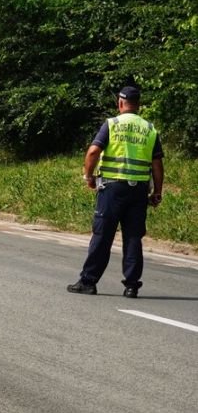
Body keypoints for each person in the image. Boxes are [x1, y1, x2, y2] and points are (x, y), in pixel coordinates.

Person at [67, 86, 164, 298]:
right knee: (133, 238)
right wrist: (157, 192)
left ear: (120, 104)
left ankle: (88, 282)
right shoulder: (149, 128)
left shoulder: (112, 124)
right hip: (138, 191)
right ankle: (131, 286)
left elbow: (93, 151)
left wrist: (88, 176)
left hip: (112, 189)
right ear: (138, 104)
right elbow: (157, 164)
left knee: (102, 236)